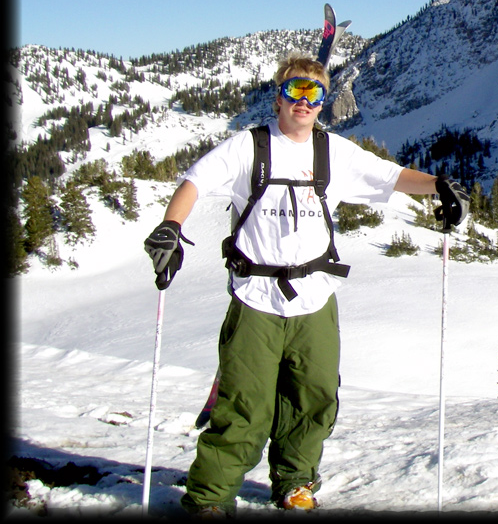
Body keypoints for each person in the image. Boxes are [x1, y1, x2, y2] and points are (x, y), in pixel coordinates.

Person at [143, 52, 468, 517]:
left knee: (314, 397)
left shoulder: (332, 150)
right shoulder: (248, 147)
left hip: (315, 297)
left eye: (313, 93)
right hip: (255, 297)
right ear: (278, 96)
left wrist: (441, 186)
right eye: (293, 90)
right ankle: (211, 498)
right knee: (244, 404)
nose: (303, 101)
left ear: (323, 101)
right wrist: (171, 227)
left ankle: (295, 482)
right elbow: (195, 181)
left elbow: (392, 177)